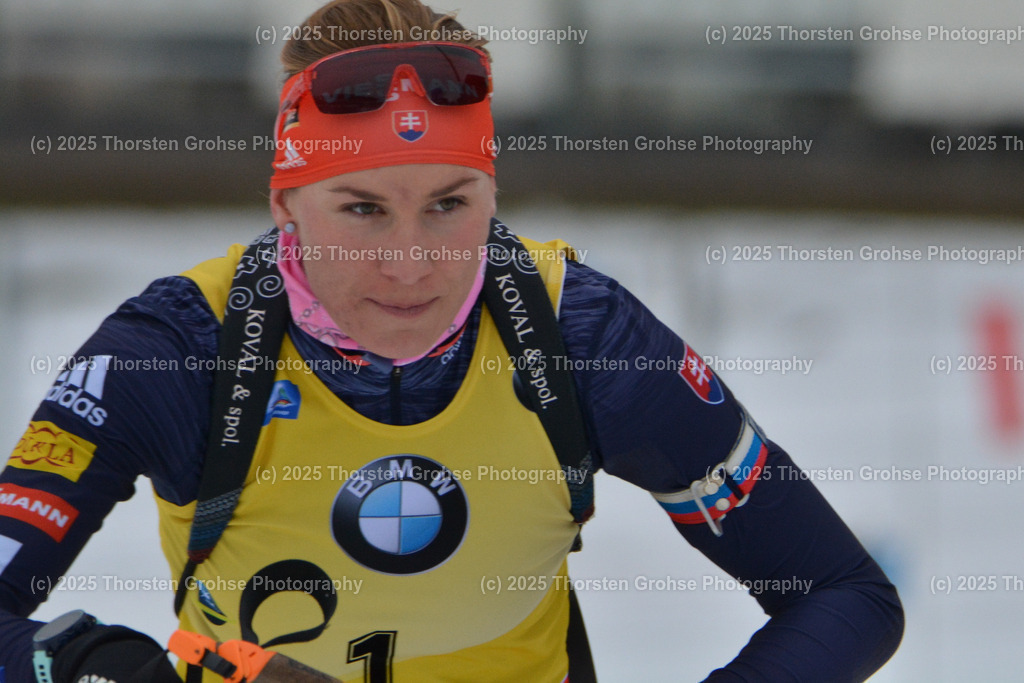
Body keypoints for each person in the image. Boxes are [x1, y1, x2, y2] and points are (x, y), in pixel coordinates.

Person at [0, 0, 904, 680]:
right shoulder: (180, 349)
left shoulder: (582, 339)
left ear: (492, 196)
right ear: (285, 207)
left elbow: (844, 594)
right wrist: (107, 667)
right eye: (362, 210)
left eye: (449, 204)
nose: (411, 265)